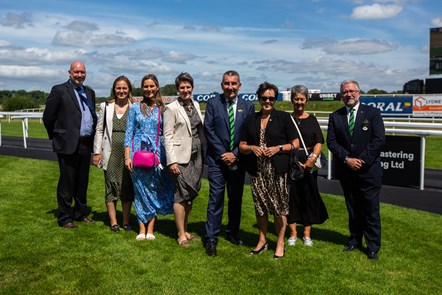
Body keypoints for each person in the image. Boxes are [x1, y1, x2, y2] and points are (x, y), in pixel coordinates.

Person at [327, 80, 385, 261]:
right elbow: (332, 142)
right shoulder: (335, 116)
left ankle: (373, 246)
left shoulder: (372, 113)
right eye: (345, 92)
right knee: (352, 208)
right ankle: (354, 240)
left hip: (369, 171)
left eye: (352, 91)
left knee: (370, 209)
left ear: (359, 93)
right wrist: (347, 159)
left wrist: (361, 160)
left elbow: (378, 140)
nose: (349, 94)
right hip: (347, 171)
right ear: (341, 95)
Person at [239, 82, 298, 259]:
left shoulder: (284, 118)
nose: (267, 101)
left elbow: (295, 144)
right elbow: (241, 145)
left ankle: (280, 243)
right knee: (261, 208)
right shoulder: (251, 119)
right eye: (264, 98)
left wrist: (278, 148)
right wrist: (251, 148)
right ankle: (262, 240)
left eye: (271, 98)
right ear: (259, 98)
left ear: (275, 99)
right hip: (258, 171)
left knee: (280, 208)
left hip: (278, 171)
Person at [204, 70, 255, 256]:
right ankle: (211, 238)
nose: (230, 87)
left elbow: (249, 133)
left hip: (238, 160)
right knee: (215, 199)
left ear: (239, 85)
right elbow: (208, 130)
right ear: (222, 85)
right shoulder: (213, 103)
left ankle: (233, 232)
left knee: (235, 199)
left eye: (234, 83)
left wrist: (234, 153)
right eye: (227, 83)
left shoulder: (247, 106)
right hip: (218, 161)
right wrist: (223, 153)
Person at [43, 61, 97, 229]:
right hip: (67, 144)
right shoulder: (59, 90)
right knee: (67, 182)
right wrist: (58, 136)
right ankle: (65, 217)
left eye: (82, 72)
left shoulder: (89, 92)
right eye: (76, 72)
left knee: (82, 181)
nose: (80, 75)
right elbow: (48, 117)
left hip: (86, 143)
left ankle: (80, 214)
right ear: (70, 73)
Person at [124, 74, 174, 241]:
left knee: (153, 190)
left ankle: (151, 228)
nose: (149, 89)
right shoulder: (135, 109)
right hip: (136, 155)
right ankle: (141, 227)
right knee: (140, 191)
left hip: (156, 156)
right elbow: (128, 133)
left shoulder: (163, 108)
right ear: (142, 88)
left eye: (152, 86)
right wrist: (127, 157)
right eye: (145, 86)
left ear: (157, 87)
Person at [163, 72, 205, 247]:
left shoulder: (195, 104)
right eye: (182, 87)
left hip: (196, 157)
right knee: (180, 196)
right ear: (177, 89)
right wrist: (172, 161)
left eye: (188, 87)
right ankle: (180, 234)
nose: (185, 90)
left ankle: (186, 229)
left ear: (192, 88)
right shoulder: (171, 108)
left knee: (190, 195)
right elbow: (167, 135)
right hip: (180, 158)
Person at [287, 85, 328, 247]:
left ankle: (307, 234)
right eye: (296, 99)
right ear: (292, 100)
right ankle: (293, 233)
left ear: (306, 100)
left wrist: (312, 159)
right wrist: (295, 161)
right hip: (292, 164)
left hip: (309, 164)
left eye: (302, 99)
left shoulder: (312, 119)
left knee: (308, 197)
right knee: (291, 197)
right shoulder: (287, 119)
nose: (299, 102)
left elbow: (319, 141)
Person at [92, 75, 134, 232]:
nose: (121, 91)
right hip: (110, 153)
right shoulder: (106, 106)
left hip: (128, 153)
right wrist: (97, 152)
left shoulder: (134, 106)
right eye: (118, 88)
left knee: (127, 187)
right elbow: (99, 129)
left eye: (124, 88)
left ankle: (126, 222)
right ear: (114, 89)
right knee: (111, 186)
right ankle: (113, 222)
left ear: (129, 89)